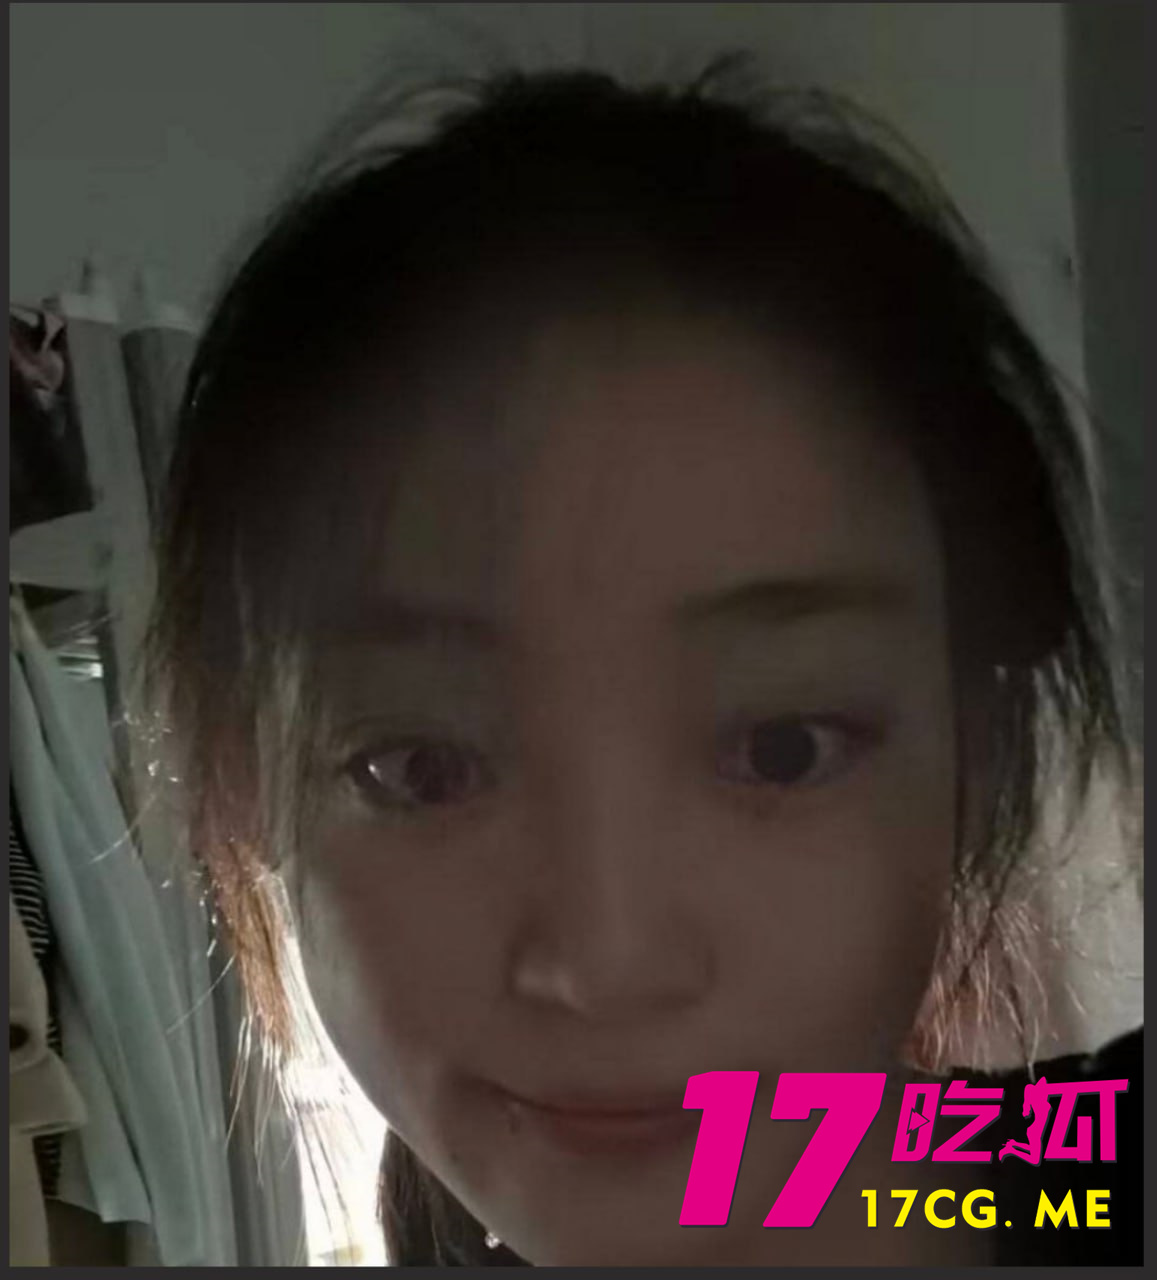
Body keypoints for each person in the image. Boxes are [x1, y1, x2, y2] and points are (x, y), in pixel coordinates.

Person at [145, 60, 1140, 1266]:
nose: (606, 963)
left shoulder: (1099, 1172)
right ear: (244, 780)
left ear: (979, 752)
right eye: (421, 767)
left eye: (781, 750)